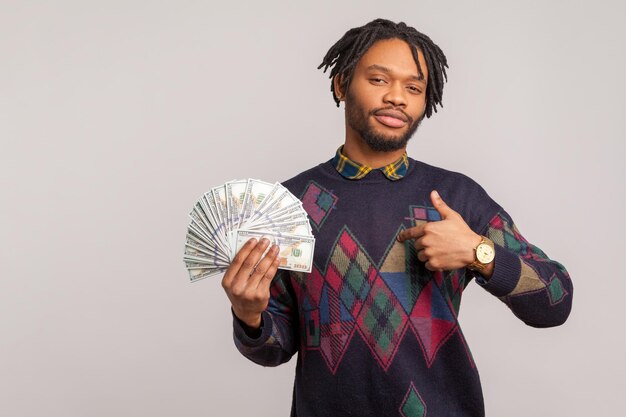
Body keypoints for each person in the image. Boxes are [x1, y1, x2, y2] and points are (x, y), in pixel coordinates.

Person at [220, 18, 573, 417]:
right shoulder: (290, 204)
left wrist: (479, 251)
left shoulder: (454, 197)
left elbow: (555, 301)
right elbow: (274, 351)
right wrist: (249, 316)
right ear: (341, 84)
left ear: (425, 101)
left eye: (413, 88)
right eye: (378, 80)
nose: (397, 98)